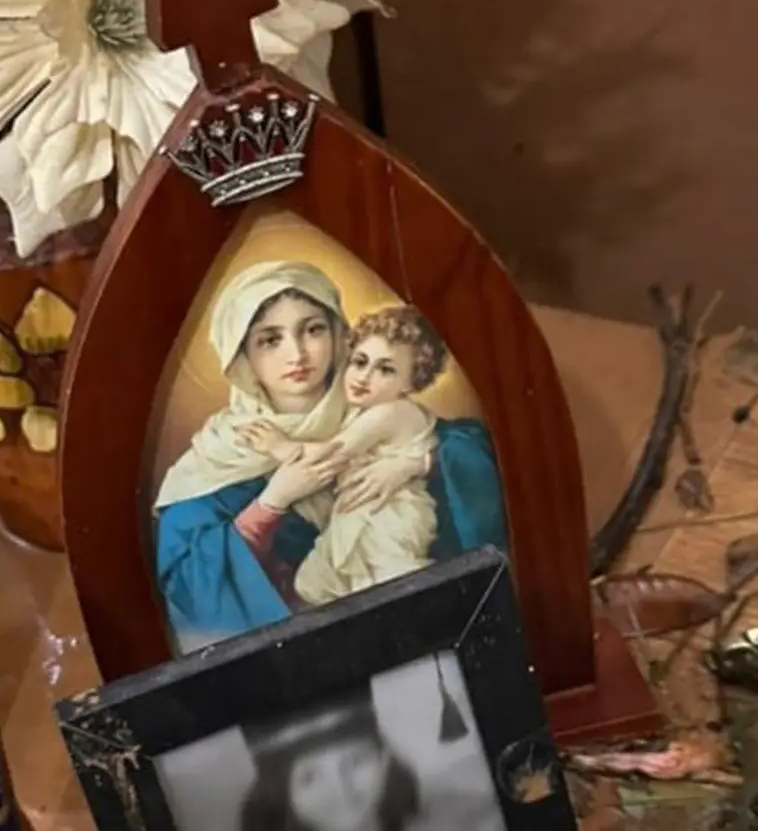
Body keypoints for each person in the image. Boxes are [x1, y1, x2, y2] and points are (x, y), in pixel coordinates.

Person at [152, 261, 508, 653]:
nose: (297, 354)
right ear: (241, 356)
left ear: (339, 334)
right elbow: (191, 579)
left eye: (313, 330)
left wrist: (420, 463)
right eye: (270, 340)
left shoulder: (374, 402)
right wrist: (273, 501)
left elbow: (475, 455)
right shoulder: (220, 452)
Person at [238, 306, 448, 605]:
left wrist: (279, 446)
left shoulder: (390, 413)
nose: (364, 376)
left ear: (412, 382)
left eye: (386, 370)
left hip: (389, 518)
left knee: (397, 590)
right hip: (358, 514)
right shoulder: (367, 411)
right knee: (313, 586)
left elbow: (331, 455)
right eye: (360, 362)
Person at [237, 698, 504, 831]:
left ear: (385, 758)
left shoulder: (465, 819)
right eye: (309, 777)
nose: (342, 789)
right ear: (281, 792)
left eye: (356, 761)